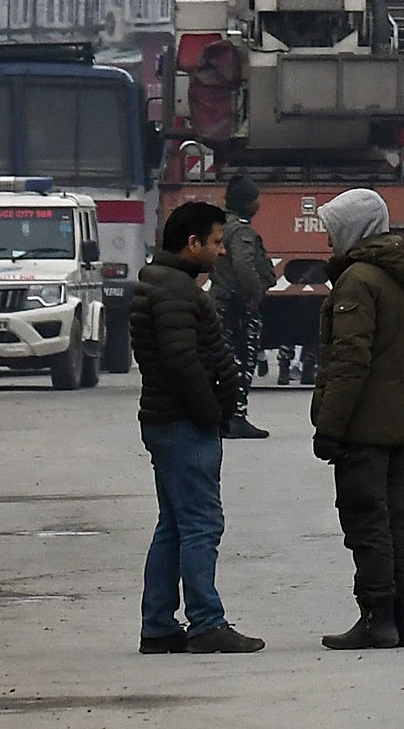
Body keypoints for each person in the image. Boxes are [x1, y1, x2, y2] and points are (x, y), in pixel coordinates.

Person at [133, 198, 264, 655]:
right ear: (192, 245)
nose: (222, 251)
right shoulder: (175, 290)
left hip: (169, 421)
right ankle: (206, 622)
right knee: (201, 524)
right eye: (214, 242)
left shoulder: (167, 283)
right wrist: (212, 411)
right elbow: (181, 360)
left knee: (174, 524)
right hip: (183, 424)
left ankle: (158, 625)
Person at [307, 186, 404, 650]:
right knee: (398, 518)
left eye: (332, 230)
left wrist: (329, 426)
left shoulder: (359, 279)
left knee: (365, 519)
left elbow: (349, 359)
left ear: (352, 230)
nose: (327, 242)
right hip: (402, 421)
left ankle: (377, 616)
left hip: (365, 424)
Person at [215, 176, 272, 439]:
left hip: (223, 302)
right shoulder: (241, 231)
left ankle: (224, 415)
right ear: (247, 202)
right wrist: (255, 294)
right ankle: (236, 416)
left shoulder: (223, 225)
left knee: (225, 361)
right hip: (238, 305)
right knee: (243, 359)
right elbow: (244, 265)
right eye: (255, 198)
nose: (259, 203)